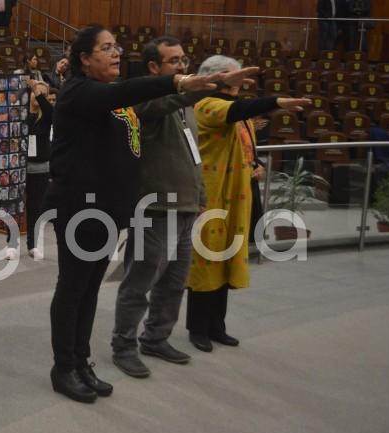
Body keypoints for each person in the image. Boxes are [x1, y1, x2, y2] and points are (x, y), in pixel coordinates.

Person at [43, 25, 255, 404]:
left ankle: (81, 360)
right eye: (105, 48)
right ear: (84, 58)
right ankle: (63, 367)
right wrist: (183, 80)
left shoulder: (108, 97)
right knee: (73, 289)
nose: (115, 53)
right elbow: (129, 90)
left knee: (90, 290)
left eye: (116, 47)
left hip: (108, 209)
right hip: (80, 208)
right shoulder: (79, 93)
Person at [110, 37, 245, 377]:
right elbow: (170, 99)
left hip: (185, 207)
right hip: (155, 207)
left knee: (173, 282)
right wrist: (211, 84)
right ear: (154, 68)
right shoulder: (147, 99)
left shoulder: (186, 107)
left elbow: (192, 157)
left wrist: (199, 197)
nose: (183, 66)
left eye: (184, 60)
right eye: (174, 61)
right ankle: (123, 345)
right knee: (138, 283)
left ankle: (156, 337)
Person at [186, 55, 310, 352]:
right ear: (213, 78)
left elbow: (245, 142)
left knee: (227, 259)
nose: (239, 79)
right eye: (232, 75)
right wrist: (277, 102)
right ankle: (198, 328)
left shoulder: (236, 110)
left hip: (238, 193)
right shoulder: (206, 105)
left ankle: (217, 325)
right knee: (207, 261)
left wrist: (255, 164)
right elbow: (238, 110)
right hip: (214, 196)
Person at [14, 78, 55, 260]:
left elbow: (50, 111)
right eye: (37, 93)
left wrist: (40, 94)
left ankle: (32, 245)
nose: (40, 96)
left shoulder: (46, 115)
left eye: (44, 94)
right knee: (17, 207)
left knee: (35, 208)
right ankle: (11, 245)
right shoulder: (22, 113)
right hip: (21, 168)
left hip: (40, 168)